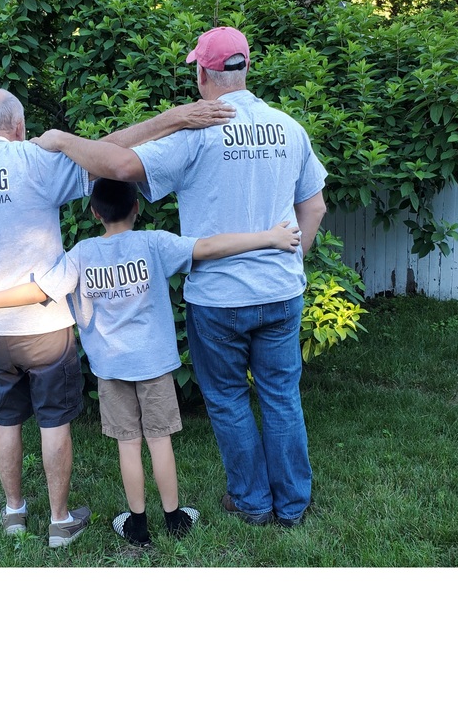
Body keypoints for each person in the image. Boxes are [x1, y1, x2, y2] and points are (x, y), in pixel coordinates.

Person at [29, 27, 328, 528]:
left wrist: (62, 140)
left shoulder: (197, 134)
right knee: (281, 396)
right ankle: (292, 504)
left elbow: (120, 164)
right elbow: (314, 205)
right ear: (246, 68)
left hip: (217, 297)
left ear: (202, 73)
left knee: (230, 399)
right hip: (280, 290)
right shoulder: (289, 128)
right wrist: (292, 265)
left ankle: (253, 503)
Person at [0, 88, 236, 547]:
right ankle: (59, 520)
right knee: (53, 421)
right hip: (45, 326)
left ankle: (14, 512)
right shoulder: (32, 160)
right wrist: (175, 118)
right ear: (20, 128)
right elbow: (109, 152)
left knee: (5, 421)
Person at [0, 177, 302, 545]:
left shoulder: (81, 253)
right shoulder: (154, 242)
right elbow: (209, 247)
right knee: (160, 442)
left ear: (95, 213)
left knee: (129, 445)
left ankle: (137, 525)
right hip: (154, 366)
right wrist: (268, 237)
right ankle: (174, 519)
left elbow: (40, 290)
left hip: (111, 370)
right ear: (137, 208)